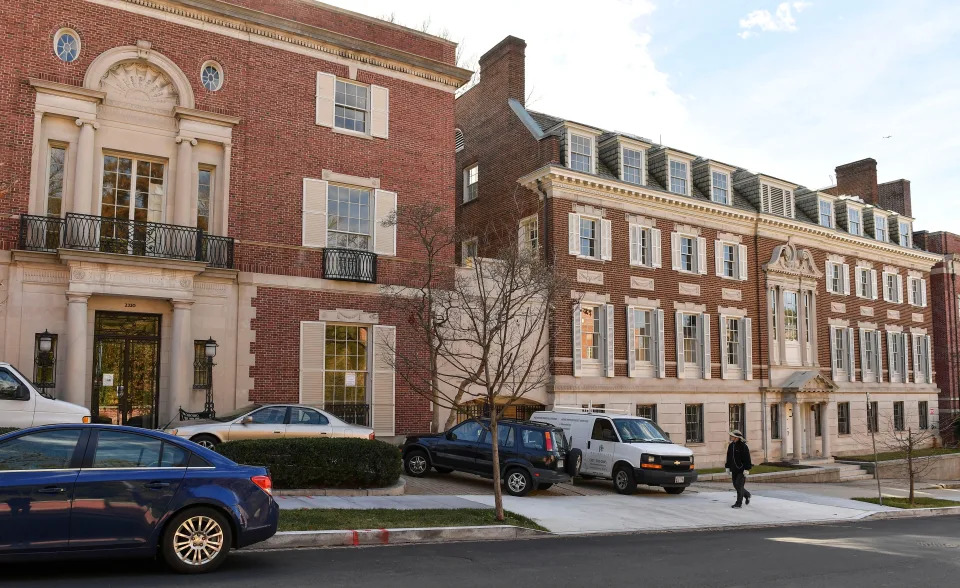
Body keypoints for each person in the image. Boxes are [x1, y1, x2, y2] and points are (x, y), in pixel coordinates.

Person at [725, 430, 753, 508]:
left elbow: (747, 458)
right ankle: (747, 494)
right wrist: (727, 467)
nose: (730, 437)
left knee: (739, 485)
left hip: (741, 469)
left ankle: (738, 503)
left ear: (736, 437)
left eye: (732, 436)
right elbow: (729, 457)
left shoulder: (743, 446)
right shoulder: (731, 446)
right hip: (734, 469)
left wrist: (747, 469)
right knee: (735, 485)